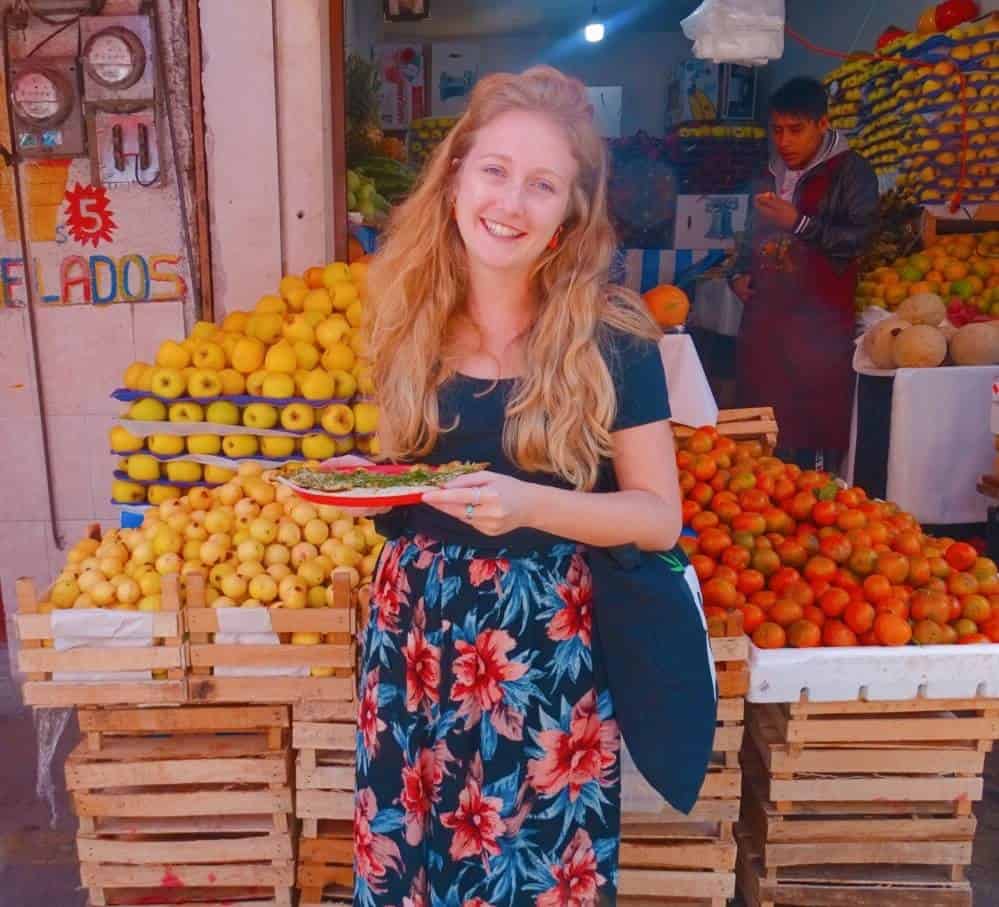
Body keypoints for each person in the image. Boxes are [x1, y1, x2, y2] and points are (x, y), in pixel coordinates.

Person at [351, 66, 681, 906]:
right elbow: (414, 473)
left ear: (571, 211)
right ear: (456, 175)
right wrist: (373, 482)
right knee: (411, 864)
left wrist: (532, 504)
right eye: (493, 170)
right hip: (414, 634)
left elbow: (657, 516)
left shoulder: (613, 335)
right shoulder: (406, 313)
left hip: (543, 645)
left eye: (543, 184)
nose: (510, 201)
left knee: (530, 872)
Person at [729, 76, 879, 471]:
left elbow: (859, 239)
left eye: (796, 130)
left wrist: (799, 223)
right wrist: (738, 274)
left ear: (823, 124)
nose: (785, 141)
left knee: (810, 420)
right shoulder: (770, 172)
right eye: (777, 130)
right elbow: (750, 234)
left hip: (819, 324)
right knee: (758, 417)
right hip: (766, 318)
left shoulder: (852, 171)